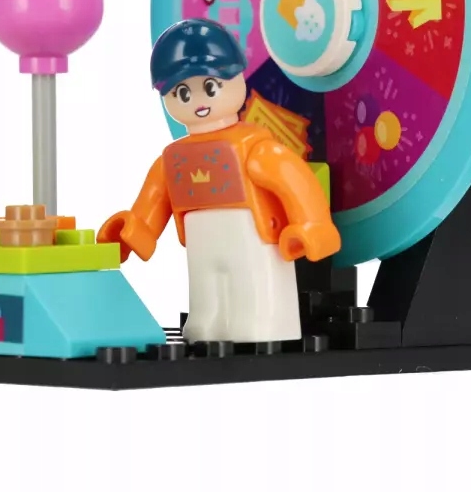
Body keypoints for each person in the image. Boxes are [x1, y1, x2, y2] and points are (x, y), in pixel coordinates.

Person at [97, 18, 340, 344]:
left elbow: (293, 179)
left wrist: (312, 225)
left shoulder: (253, 148)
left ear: (237, 79)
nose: (198, 101)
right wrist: (132, 231)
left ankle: (260, 320)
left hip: (250, 233)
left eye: (210, 87)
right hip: (202, 238)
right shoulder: (173, 160)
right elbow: (153, 201)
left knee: (250, 281)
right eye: (182, 92)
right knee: (205, 286)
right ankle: (205, 320)